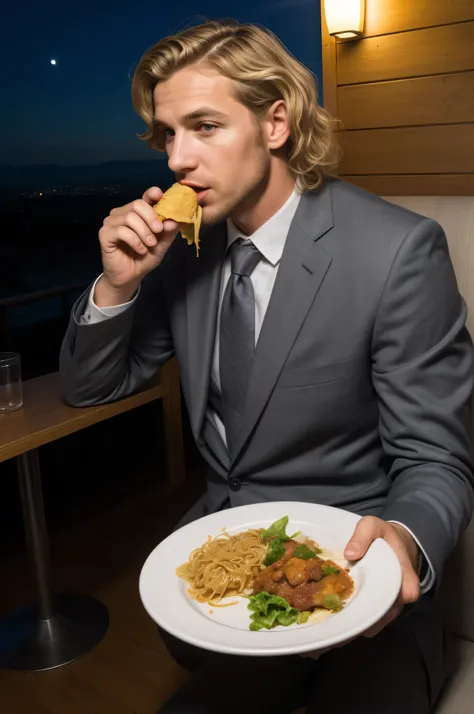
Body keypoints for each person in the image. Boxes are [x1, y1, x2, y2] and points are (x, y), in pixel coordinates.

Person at [59, 19, 474, 714]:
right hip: (226, 580)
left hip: (359, 580)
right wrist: (118, 287)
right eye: (168, 135)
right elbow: (89, 386)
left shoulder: (397, 253)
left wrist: (401, 541)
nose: (176, 161)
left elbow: (436, 459)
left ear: (275, 122)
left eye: (204, 127)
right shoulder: (183, 252)